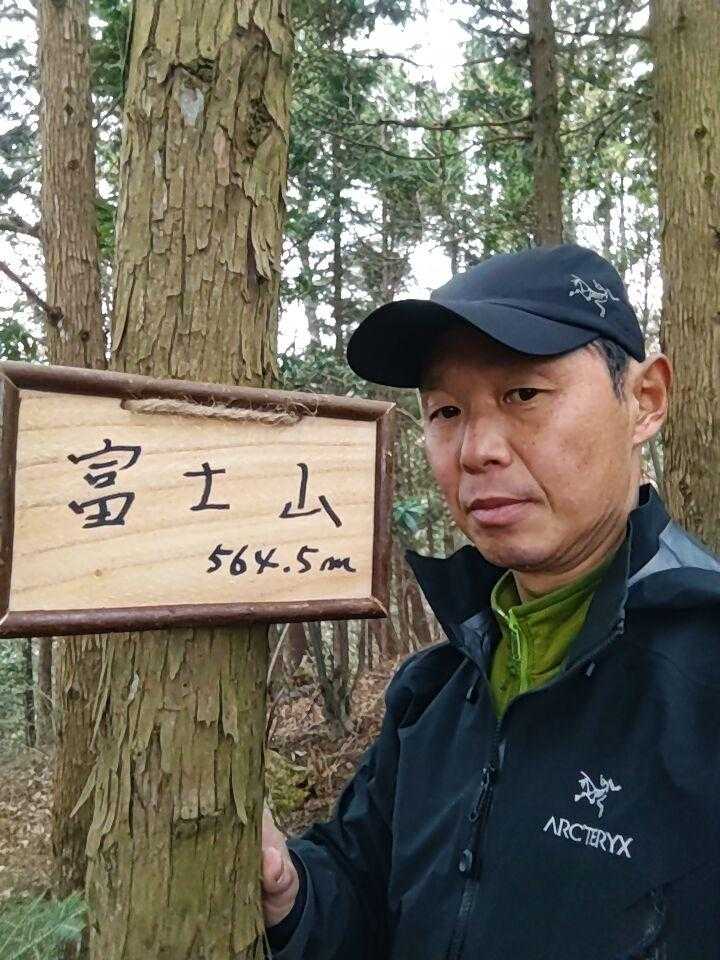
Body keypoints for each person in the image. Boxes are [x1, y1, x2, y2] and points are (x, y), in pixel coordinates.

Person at [260, 244, 720, 959]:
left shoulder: (704, 679)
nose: (476, 450)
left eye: (523, 395)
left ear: (645, 400)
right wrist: (291, 891)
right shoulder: (434, 692)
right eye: (446, 410)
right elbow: (367, 898)